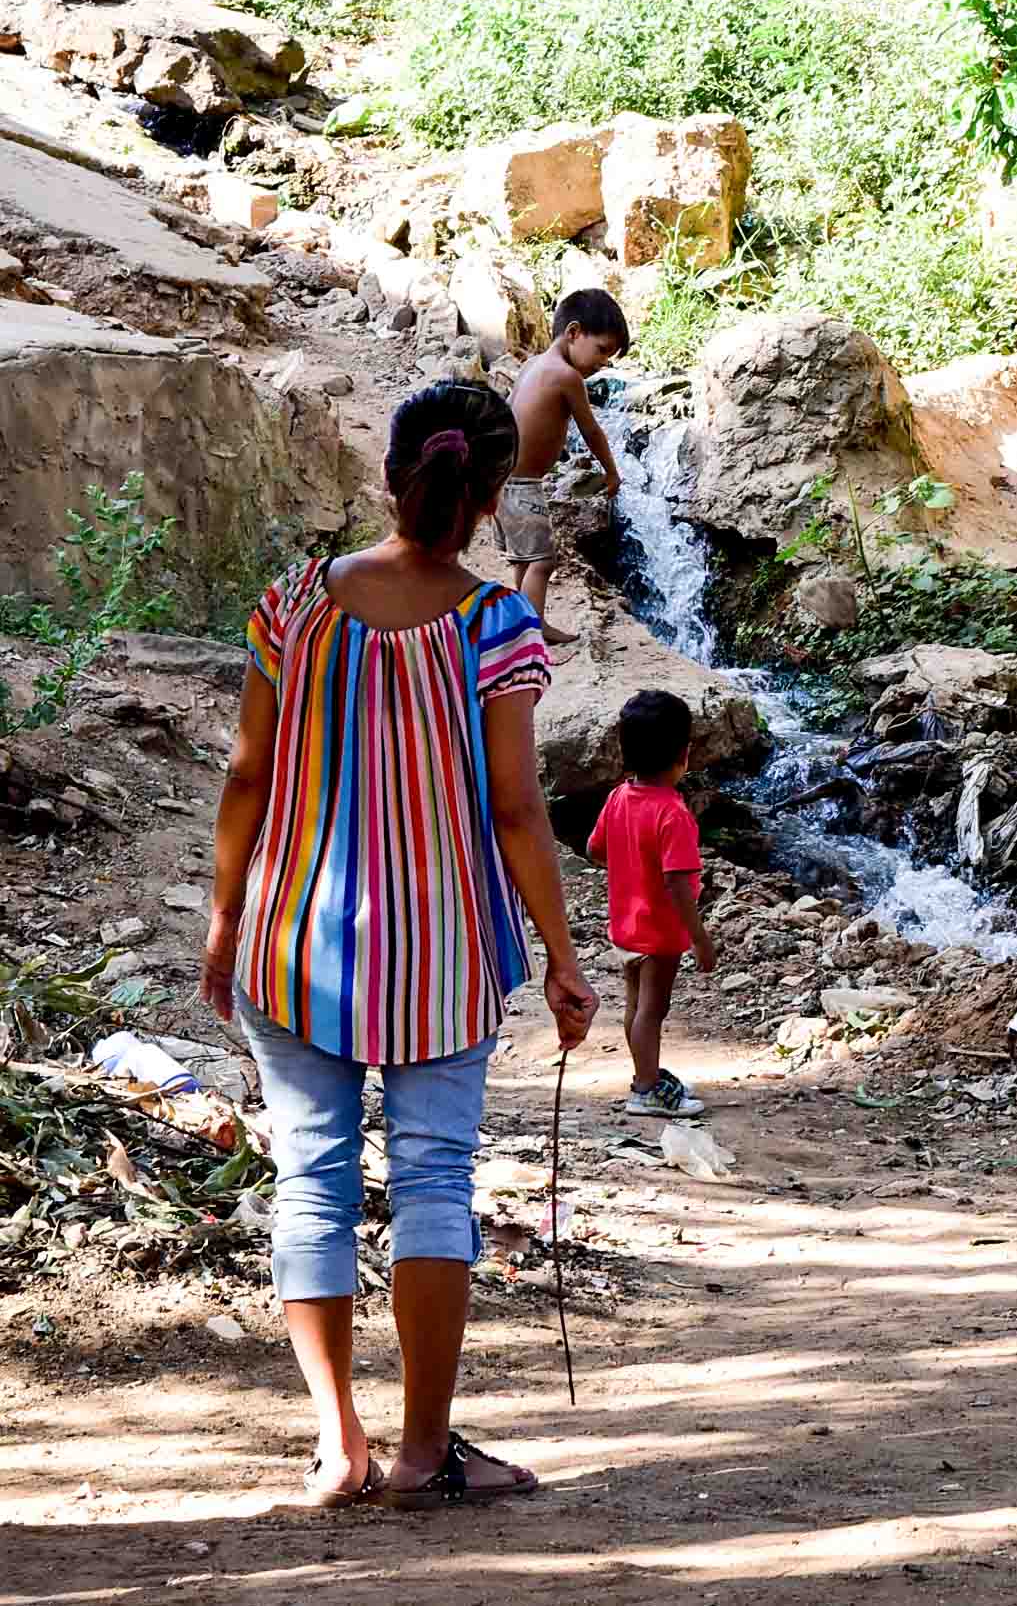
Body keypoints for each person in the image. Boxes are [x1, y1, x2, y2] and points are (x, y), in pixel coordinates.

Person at [203, 380, 600, 1512]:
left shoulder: (292, 605)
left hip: (295, 937)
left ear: (391, 476)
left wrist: (226, 917)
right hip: (442, 949)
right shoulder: (497, 627)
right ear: (485, 499)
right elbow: (520, 811)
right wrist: (564, 958)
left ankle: (339, 1446)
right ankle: (427, 1452)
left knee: (311, 1180)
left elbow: (246, 774)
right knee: (434, 1179)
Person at [586, 690, 719, 1119]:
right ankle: (645, 1088)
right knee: (653, 1009)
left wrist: (629, 867)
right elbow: (679, 883)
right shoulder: (673, 814)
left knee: (634, 1005)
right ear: (684, 754)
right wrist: (699, 938)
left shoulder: (619, 798)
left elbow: (595, 848)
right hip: (658, 933)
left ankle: (645, 1073)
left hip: (625, 924)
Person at [500, 288, 629, 646]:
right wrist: (611, 471)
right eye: (602, 349)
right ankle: (533, 628)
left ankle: (522, 622)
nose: (603, 362)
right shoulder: (566, 376)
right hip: (523, 485)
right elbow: (591, 429)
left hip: (501, 481)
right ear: (573, 332)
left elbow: (507, 416)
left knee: (524, 560)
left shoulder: (532, 365)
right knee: (543, 560)